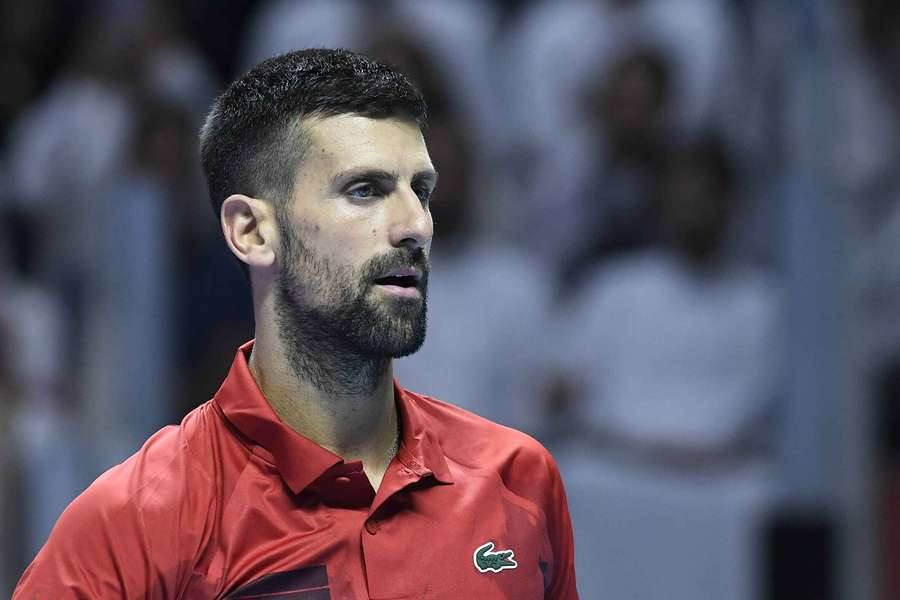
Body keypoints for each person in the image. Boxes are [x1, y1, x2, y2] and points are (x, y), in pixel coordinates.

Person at [13, 48, 578, 599]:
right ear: (252, 232)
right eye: (365, 191)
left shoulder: (518, 478)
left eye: (420, 191)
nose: (416, 225)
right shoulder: (133, 523)